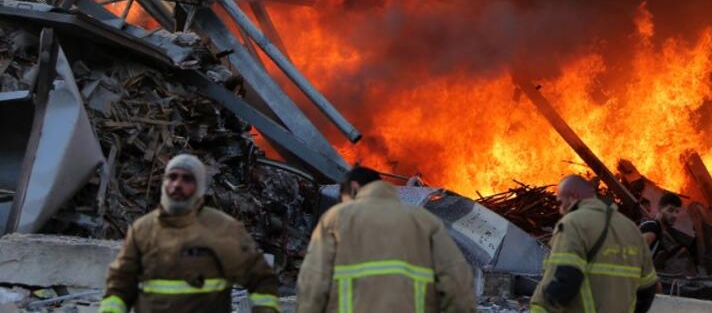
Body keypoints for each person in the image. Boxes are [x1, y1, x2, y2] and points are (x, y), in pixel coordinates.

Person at [100, 154, 280, 313]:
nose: (177, 184)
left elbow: (260, 278)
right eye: (172, 177)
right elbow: (121, 281)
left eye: (187, 179)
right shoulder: (143, 229)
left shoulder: (223, 229)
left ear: (200, 187)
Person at [296, 166, 475, 313]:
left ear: (355, 188)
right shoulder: (423, 220)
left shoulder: (335, 219)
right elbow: (455, 276)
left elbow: (314, 278)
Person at [531, 175, 658, 313]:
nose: (561, 209)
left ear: (573, 197)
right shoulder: (631, 228)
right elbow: (649, 287)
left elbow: (565, 278)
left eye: (561, 202)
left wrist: (540, 308)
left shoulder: (574, 223)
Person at [640, 192, 682, 257]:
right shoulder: (653, 227)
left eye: (677, 211)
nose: (674, 215)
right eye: (670, 210)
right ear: (659, 209)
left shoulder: (658, 230)